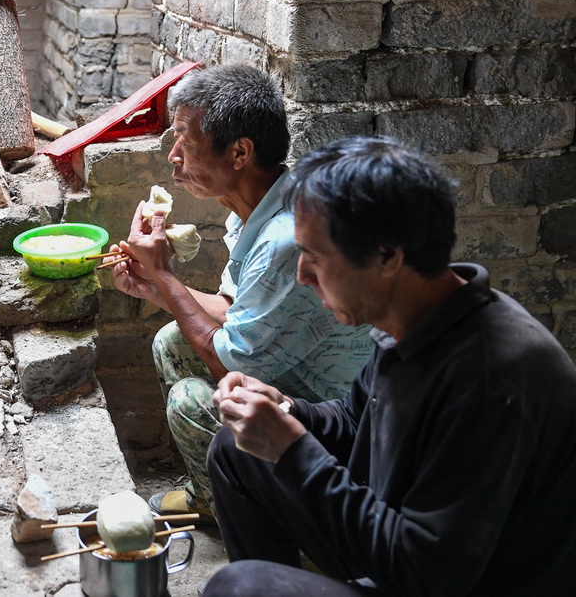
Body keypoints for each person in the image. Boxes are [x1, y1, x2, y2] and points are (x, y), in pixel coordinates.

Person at [204, 137, 576, 596]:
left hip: (438, 579)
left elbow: (428, 570)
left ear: (387, 256)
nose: (302, 274)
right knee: (236, 447)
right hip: (396, 546)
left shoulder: (491, 375)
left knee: (242, 586)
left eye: (316, 257)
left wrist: (293, 451)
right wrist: (289, 412)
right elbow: (357, 420)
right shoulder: (410, 319)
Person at [105, 64, 373, 518]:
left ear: (239, 153)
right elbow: (231, 309)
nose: (173, 156)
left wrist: (167, 277)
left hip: (336, 429)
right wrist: (155, 285)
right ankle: (212, 495)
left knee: (190, 401)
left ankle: (282, 517)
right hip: (294, 372)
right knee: (172, 341)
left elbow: (228, 357)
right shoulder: (259, 207)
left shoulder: (286, 240)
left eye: (186, 143)